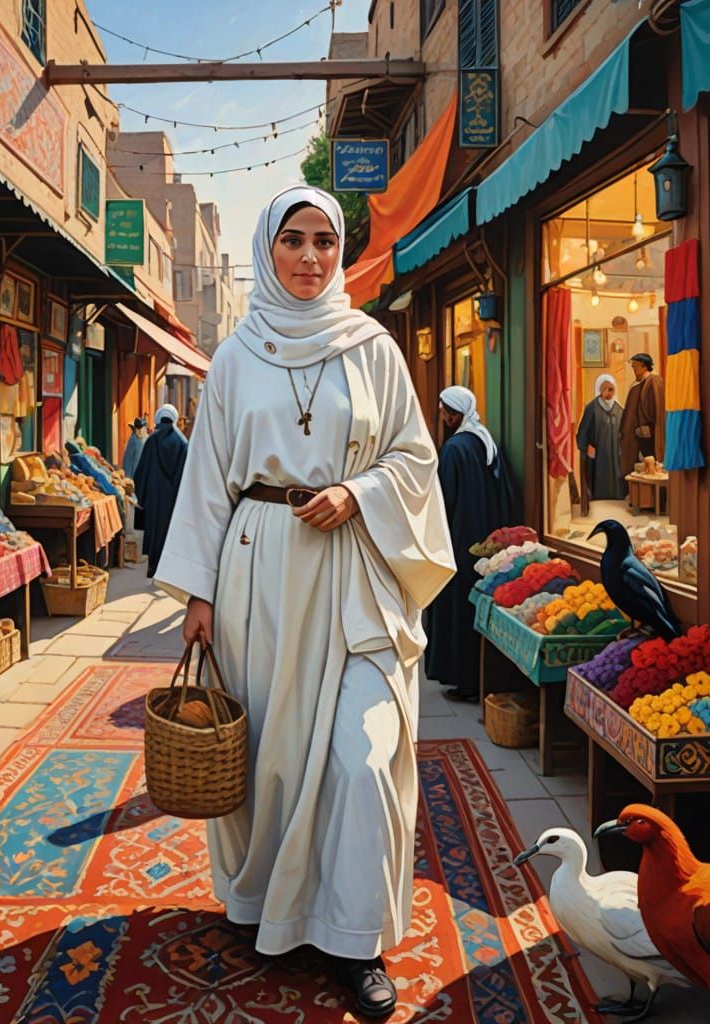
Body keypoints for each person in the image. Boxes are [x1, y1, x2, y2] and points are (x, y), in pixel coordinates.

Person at [153, 186, 454, 1018]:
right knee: (272, 762)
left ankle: (356, 942)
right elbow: (208, 481)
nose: (313, 257)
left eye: (327, 240)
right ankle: (267, 909)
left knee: (361, 762)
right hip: (257, 573)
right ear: (268, 248)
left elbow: (414, 460)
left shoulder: (375, 347)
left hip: (355, 573)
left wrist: (360, 493)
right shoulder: (238, 356)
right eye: (295, 240)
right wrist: (198, 594)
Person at [425, 386, 511, 702]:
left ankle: (464, 679)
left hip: (459, 542)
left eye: (445, 411)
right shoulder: (484, 442)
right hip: (486, 542)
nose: (442, 417)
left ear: (454, 414)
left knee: (458, 609)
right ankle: (480, 677)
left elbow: (444, 501)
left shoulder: (454, 449)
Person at [133, 404, 188, 578]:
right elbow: (186, 474)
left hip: (154, 498)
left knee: (155, 531)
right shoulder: (182, 443)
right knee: (171, 534)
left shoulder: (152, 440)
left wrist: (141, 496)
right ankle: (171, 573)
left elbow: (140, 472)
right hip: (173, 499)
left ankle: (153, 568)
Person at [576, 374, 627, 501]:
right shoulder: (591, 408)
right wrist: (587, 446)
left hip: (615, 451)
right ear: (599, 390)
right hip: (597, 452)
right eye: (605, 389)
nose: (608, 393)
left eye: (611, 389)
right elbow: (582, 432)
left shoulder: (619, 409)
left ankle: (617, 493)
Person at [619, 352, 665, 481]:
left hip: (648, 433)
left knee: (651, 464)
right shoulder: (641, 383)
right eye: (633, 366)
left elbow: (653, 409)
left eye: (636, 366)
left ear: (645, 367)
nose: (634, 369)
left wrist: (644, 424)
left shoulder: (653, 381)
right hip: (640, 432)